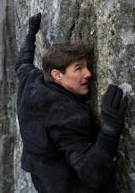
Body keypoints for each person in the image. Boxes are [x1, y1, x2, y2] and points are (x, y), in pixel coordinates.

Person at [15, 13, 128, 193]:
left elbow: (22, 63)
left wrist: (31, 33)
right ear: (57, 75)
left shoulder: (31, 80)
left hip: (42, 177)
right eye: (78, 69)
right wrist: (111, 129)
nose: (88, 74)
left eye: (86, 66)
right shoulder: (66, 115)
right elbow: (93, 173)